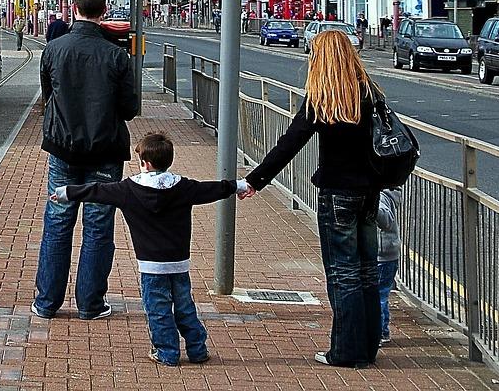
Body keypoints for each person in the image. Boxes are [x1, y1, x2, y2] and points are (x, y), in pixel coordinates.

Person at [238, 30, 383, 368]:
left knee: (343, 273)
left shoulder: (323, 97)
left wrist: (254, 181)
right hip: (369, 193)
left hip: (338, 194)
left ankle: (346, 352)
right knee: (366, 272)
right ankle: (367, 347)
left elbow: (289, 144)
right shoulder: (369, 92)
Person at [50, 131, 247, 365]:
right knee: (185, 307)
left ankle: (167, 352)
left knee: (158, 310)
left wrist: (66, 192)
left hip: (151, 267)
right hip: (179, 264)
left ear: (145, 163)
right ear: (168, 161)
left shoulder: (128, 189)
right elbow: (213, 189)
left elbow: (96, 191)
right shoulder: (183, 187)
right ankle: (197, 349)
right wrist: (239, 185)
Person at [32, 0, 137, 321]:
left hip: (62, 150)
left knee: (58, 221)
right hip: (105, 152)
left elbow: (48, 96)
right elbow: (130, 107)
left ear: (73, 9)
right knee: (98, 224)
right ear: (104, 12)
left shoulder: (54, 50)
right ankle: (90, 304)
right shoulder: (116, 55)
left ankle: (47, 302)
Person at [376, 187, 402, 343]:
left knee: (378, 295)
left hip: (381, 255)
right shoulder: (388, 193)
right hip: (388, 253)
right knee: (381, 294)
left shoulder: (378, 195)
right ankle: (382, 330)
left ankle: (380, 332)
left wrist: (369, 202)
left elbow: (385, 219)